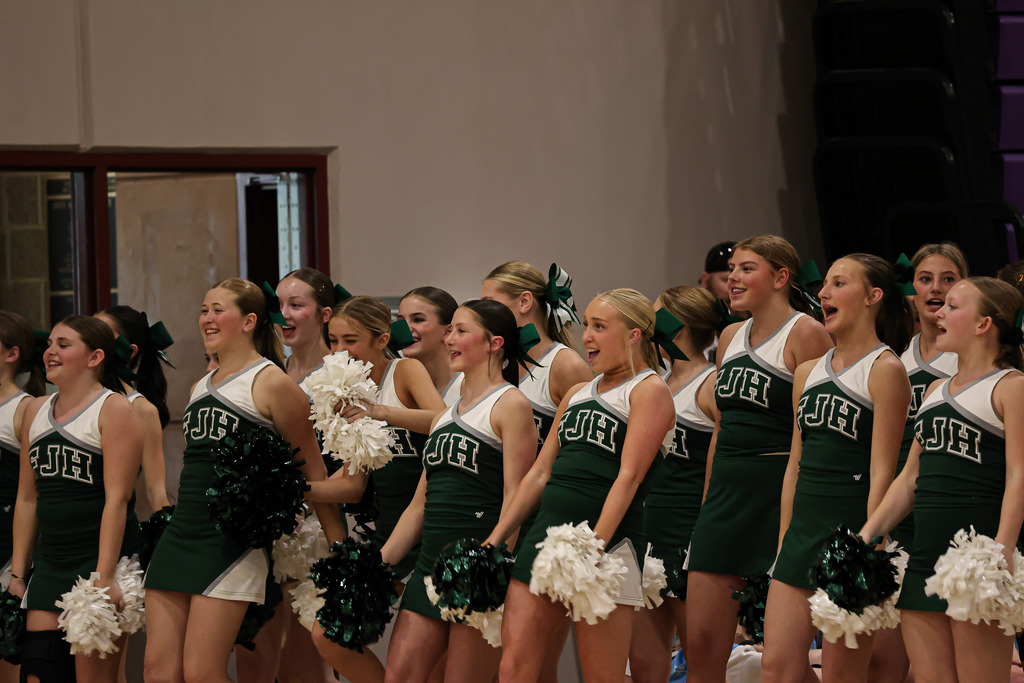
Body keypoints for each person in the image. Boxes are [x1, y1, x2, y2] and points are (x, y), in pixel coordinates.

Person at [143, 278, 345, 683]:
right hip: (181, 533)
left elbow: (314, 473)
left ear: (250, 320)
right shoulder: (201, 385)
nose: (207, 318)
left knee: (202, 672)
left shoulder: (272, 383)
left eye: (218, 310)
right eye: (204, 310)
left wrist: (340, 554)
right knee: (157, 672)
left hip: (231, 544)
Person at [488, 288, 676, 683]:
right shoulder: (576, 393)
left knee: (601, 676)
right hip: (546, 535)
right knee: (513, 666)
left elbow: (629, 476)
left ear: (633, 334)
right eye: (587, 324)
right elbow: (539, 474)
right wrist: (494, 540)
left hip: (609, 547)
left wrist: (593, 547)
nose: (587, 335)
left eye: (599, 326)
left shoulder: (649, 390)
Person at [859, 277, 1024, 683]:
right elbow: (910, 477)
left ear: (984, 324)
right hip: (923, 554)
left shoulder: (1012, 386)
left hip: (976, 562)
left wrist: (1002, 548)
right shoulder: (934, 390)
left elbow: (1020, 473)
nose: (938, 313)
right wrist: (864, 536)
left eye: (952, 306)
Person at [684, 235, 833, 683]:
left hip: (776, 496)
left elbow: (812, 429)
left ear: (781, 277)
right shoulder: (729, 335)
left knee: (781, 659)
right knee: (702, 648)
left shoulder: (806, 332)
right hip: (726, 495)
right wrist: (709, 496)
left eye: (747, 268)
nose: (733, 277)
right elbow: (722, 427)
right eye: (732, 269)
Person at [762, 254, 912, 682]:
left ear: (872, 297)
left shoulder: (886, 369)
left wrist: (870, 552)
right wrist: (782, 542)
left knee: (843, 675)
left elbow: (883, 472)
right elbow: (794, 465)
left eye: (838, 284)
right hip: (800, 533)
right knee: (777, 669)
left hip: (851, 534)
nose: (823, 293)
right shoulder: (806, 372)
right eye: (823, 284)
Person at [378, 299, 537, 683]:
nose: (450, 338)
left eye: (461, 331)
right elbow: (418, 507)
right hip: (428, 565)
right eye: (450, 330)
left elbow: (516, 495)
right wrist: (377, 565)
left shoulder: (510, 403)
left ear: (494, 343)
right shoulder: (446, 415)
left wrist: (494, 565)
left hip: (477, 567)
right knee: (398, 677)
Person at [306, 294, 447, 681]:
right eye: (333, 341)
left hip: (430, 530)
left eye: (350, 340)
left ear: (381, 340)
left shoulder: (404, 370)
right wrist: (298, 490)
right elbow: (353, 484)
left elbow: (443, 420)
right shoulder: (348, 392)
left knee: (433, 667)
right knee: (327, 634)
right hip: (388, 536)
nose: (339, 350)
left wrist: (379, 411)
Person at [9, 316, 143, 682]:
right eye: (50, 343)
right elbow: (27, 498)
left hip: (96, 561)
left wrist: (104, 575)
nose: (51, 351)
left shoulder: (113, 409)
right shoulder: (35, 409)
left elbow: (118, 499)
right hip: (51, 561)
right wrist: (19, 574)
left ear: (95, 357)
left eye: (64, 345)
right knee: (38, 671)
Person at [233, 268, 339, 683]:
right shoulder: (269, 374)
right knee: (254, 656)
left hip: (316, 524)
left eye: (297, 305)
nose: (285, 314)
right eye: (279, 305)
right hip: (267, 530)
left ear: (324, 313)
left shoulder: (341, 376)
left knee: (306, 664)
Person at [869, 243, 968, 683]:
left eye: (948, 279)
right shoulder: (894, 359)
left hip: (957, 508)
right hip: (902, 507)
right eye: (926, 279)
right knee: (889, 660)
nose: (936, 289)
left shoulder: (972, 358)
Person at [627, 286, 720, 683]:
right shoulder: (652, 383)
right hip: (646, 533)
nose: (648, 324)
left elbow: (721, 471)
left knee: (700, 663)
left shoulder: (712, 383)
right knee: (645, 667)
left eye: (656, 315)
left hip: (687, 535)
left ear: (677, 324)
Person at [0, 311, 44, 683]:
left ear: (11, 354)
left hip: (5, 553)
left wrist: (17, 570)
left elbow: (31, 495)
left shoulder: (26, 408)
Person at [397, 287, 462, 405]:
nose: (405, 329)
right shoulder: (394, 381)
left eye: (417, 320)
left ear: (448, 331)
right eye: (400, 321)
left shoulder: (467, 385)